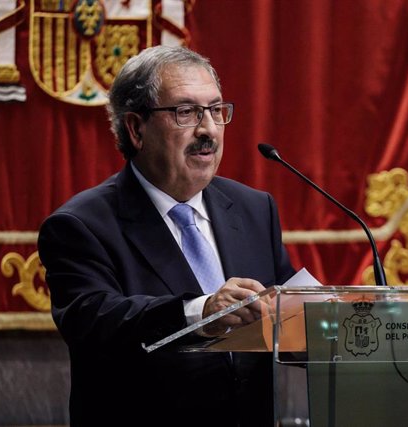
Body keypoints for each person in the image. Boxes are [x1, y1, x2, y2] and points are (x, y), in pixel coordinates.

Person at [38, 45, 296, 426]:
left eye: (216, 110)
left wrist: (333, 321)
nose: (208, 128)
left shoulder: (254, 209)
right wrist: (201, 312)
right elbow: (99, 325)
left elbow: (288, 317)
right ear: (136, 128)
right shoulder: (80, 226)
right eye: (186, 112)